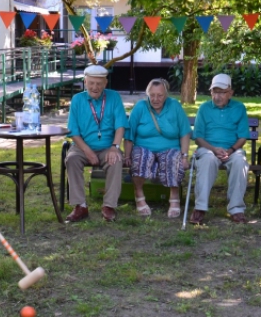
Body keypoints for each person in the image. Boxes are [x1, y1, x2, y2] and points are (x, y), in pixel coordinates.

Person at [64, 65, 128, 222]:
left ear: (105, 83)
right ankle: (80, 206)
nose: (95, 87)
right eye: (91, 83)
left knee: (116, 160)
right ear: (85, 82)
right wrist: (87, 151)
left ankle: (109, 205)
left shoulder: (114, 97)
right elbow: (73, 131)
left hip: (108, 147)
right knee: (71, 159)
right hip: (82, 146)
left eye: (99, 83)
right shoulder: (77, 100)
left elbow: (121, 125)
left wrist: (115, 147)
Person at [124, 78, 191, 218]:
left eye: (159, 95)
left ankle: (174, 198)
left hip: (170, 146)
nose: (155, 99)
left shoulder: (175, 106)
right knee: (140, 158)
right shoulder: (140, 107)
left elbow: (185, 132)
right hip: (143, 146)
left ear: (166, 95)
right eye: (152, 95)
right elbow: (129, 134)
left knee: (173, 158)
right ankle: (139, 194)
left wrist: (185, 156)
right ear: (147, 94)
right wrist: (127, 156)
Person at [189, 73, 250, 224]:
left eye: (222, 92)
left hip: (232, 149)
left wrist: (230, 150)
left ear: (230, 93)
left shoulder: (239, 108)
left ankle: (236, 209)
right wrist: (214, 149)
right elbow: (198, 137)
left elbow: (242, 136)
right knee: (207, 159)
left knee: (240, 162)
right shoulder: (204, 108)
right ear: (211, 92)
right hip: (208, 148)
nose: (217, 96)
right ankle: (200, 208)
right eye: (214, 92)